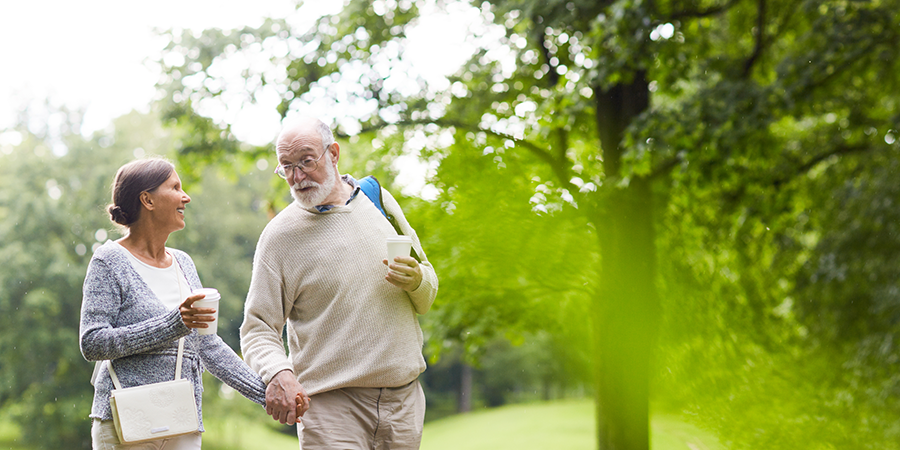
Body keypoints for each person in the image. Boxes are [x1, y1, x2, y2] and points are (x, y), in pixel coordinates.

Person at [240, 117, 439, 449]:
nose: (297, 177)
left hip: (404, 403)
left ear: (333, 153)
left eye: (306, 161)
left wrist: (418, 280)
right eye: (286, 167)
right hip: (331, 410)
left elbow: (428, 291)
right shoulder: (279, 237)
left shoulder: (379, 201)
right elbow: (257, 328)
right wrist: (279, 372)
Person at [80, 158, 289, 449]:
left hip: (182, 421)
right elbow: (93, 343)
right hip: (124, 423)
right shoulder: (109, 260)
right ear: (147, 199)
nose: (185, 196)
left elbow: (208, 346)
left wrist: (267, 394)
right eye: (175, 187)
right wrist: (173, 324)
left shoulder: (184, 264)